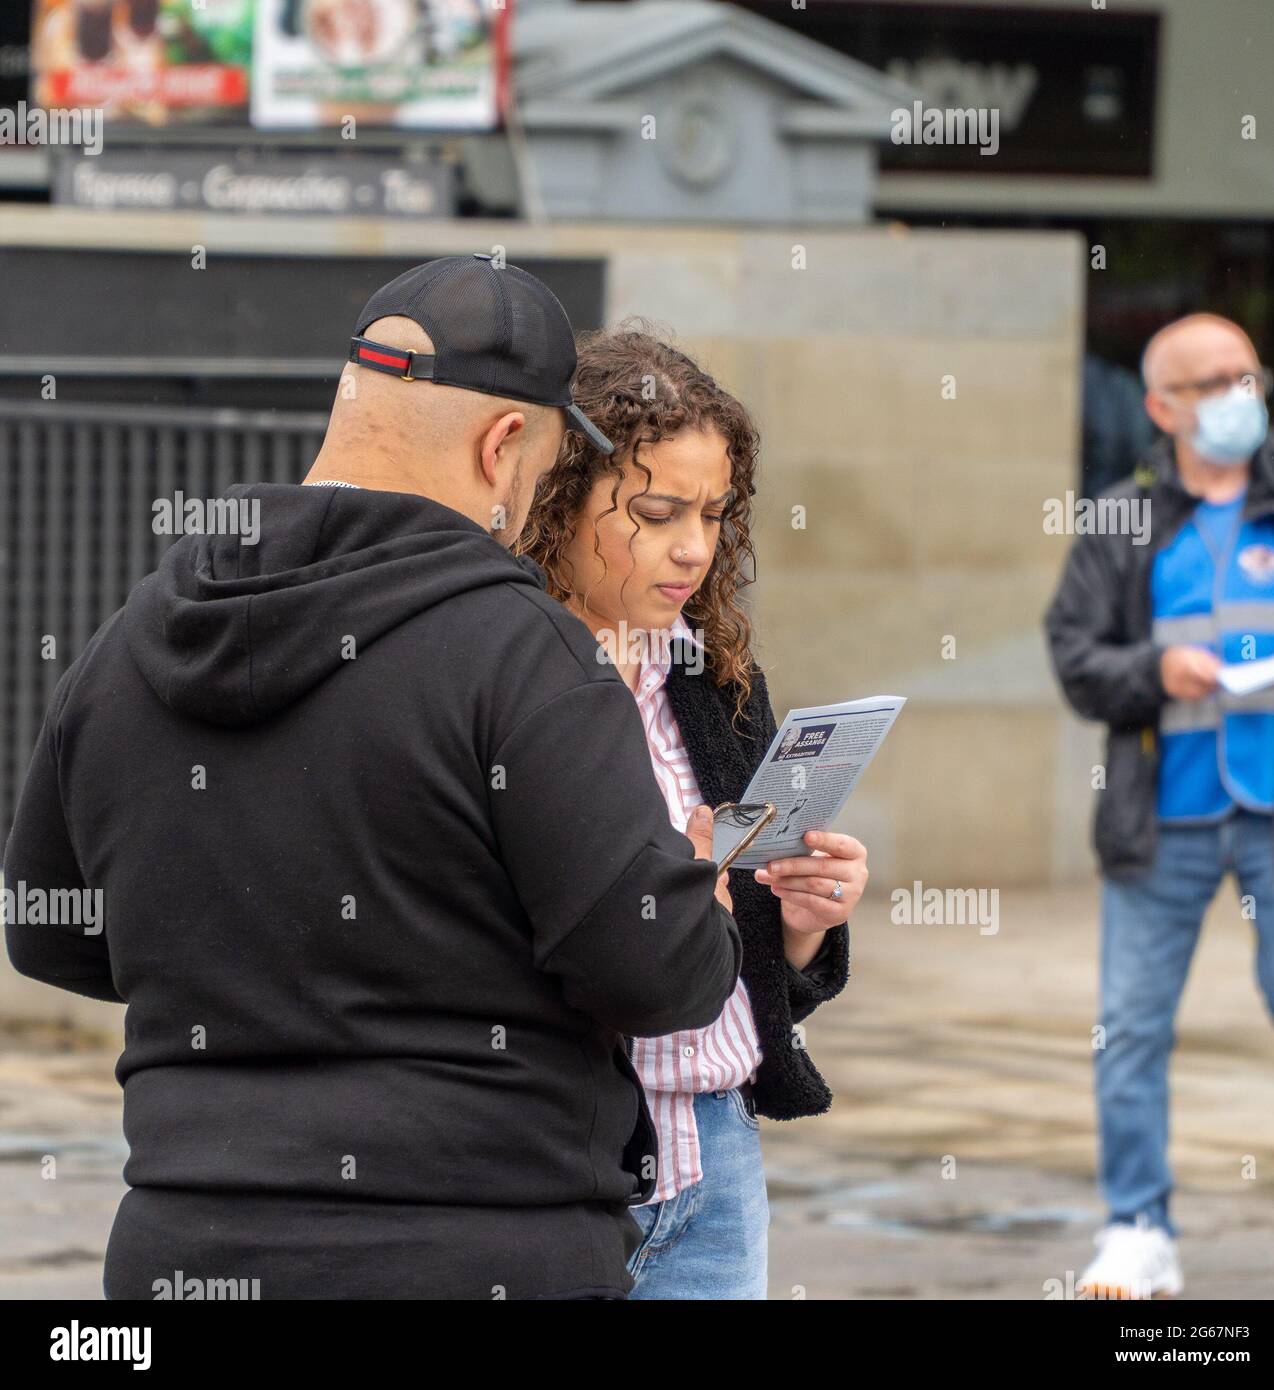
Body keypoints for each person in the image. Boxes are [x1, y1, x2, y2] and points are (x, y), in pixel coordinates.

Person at [4, 256, 742, 1300]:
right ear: (501, 447)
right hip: (478, 1251)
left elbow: (49, 929)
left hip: (184, 1252)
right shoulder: (520, 649)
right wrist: (700, 898)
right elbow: (653, 972)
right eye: (538, 468)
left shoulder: (132, 637)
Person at [517, 325, 868, 1299]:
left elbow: (757, 974)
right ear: (556, 500)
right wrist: (660, 888)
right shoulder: (494, 675)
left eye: (714, 514)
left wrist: (801, 924)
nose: (693, 547)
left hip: (715, 1155)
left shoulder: (715, 679)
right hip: (555, 1149)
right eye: (659, 511)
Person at [1045, 312, 1274, 1299]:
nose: (1242, 394)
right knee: (1132, 1026)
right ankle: (1137, 1225)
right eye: (1214, 381)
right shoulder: (1123, 516)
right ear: (1160, 407)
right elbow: (1075, 659)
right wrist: (1158, 668)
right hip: (1161, 822)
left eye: (1249, 373)